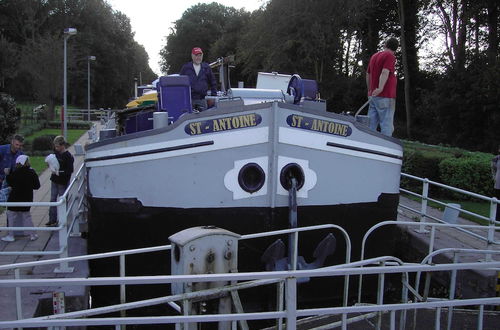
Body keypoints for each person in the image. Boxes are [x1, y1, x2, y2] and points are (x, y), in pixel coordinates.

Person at [1, 155, 40, 242]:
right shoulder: (32, 172)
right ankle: (33, 235)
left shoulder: (15, 173)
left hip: (14, 198)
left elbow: (10, 182)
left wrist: (7, 174)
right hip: (27, 198)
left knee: (11, 215)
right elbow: (37, 186)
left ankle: (11, 235)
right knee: (27, 216)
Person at [366, 37, 399, 137]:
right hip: (386, 95)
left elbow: (368, 74)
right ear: (396, 48)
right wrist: (380, 88)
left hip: (373, 96)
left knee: (370, 125)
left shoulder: (374, 56)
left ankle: (367, 145)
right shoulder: (390, 56)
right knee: (386, 126)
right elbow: (385, 72)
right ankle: (385, 149)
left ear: (385, 45)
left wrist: (370, 90)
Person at [46, 136, 74, 226]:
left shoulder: (68, 156)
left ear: (63, 145)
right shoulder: (56, 153)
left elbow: (70, 170)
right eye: (55, 146)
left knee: (62, 201)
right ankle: (52, 219)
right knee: (52, 199)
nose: (56, 148)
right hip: (54, 179)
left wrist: (60, 172)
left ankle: (62, 219)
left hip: (63, 181)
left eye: (57, 146)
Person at [179, 47, 217, 111]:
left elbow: (213, 82)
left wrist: (213, 96)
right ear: (192, 56)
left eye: (200, 55)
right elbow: (180, 84)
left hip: (202, 100)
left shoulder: (206, 67)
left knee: (203, 119)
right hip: (189, 101)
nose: (198, 57)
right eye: (196, 55)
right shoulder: (186, 68)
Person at [492, 145, 500, 220]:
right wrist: (494, 177)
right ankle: (497, 218)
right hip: (498, 184)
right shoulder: (496, 159)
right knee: (497, 202)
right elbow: (493, 169)